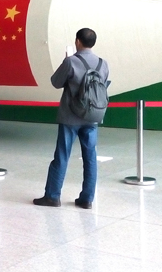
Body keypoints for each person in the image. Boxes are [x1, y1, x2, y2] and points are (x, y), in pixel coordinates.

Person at [34, 28, 109, 210]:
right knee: (90, 158)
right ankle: (87, 199)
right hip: (92, 117)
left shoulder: (71, 61)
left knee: (62, 156)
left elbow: (55, 82)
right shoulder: (103, 63)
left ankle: (52, 196)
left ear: (77, 41)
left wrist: (66, 64)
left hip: (70, 117)